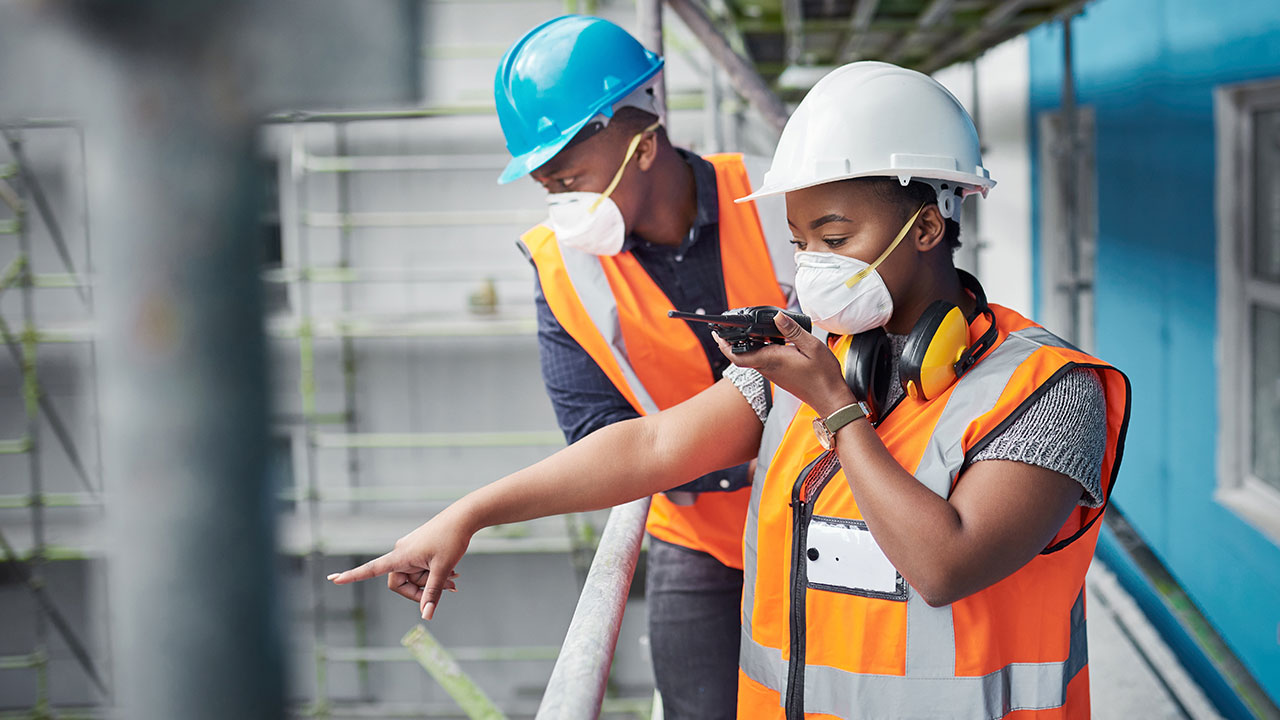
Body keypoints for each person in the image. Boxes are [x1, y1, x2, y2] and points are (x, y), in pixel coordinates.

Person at [330, 61, 1131, 720]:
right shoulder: (819, 356)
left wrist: (837, 409)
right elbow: (648, 444)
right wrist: (469, 515)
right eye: (798, 241)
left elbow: (944, 565)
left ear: (926, 228)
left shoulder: (1052, 392)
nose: (812, 265)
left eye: (836, 238)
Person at [493, 15, 794, 718]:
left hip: (822, 514)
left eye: (572, 176)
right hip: (695, 538)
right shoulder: (562, 266)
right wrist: (721, 462)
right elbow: (596, 427)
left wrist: (687, 454)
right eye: (548, 185)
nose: (563, 204)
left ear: (646, 142)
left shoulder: (774, 200)